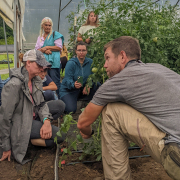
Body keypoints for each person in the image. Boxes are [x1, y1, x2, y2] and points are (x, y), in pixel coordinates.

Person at [77, 36, 180, 180]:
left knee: (112, 111)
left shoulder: (118, 81)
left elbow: (83, 123)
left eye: (107, 58)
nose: (105, 65)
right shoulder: (159, 68)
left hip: (176, 153)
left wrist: (88, 132)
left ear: (122, 56)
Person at [0, 49, 65, 164]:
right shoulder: (14, 86)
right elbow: (5, 118)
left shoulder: (36, 80)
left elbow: (41, 104)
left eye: (43, 66)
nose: (41, 69)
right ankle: (28, 140)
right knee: (59, 137)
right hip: (22, 123)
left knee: (60, 105)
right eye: (39, 65)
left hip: (33, 114)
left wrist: (46, 121)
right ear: (28, 62)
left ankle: (33, 134)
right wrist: (6, 147)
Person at [60, 41, 100, 113]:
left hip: (82, 90)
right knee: (70, 110)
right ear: (76, 51)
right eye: (79, 50)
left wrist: (89, 84)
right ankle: (64, 101)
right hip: (69, 91)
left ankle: (92, 104)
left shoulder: (90, 62)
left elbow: (94, 76)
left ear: (86, 51)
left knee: (98, 85)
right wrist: (73, 84)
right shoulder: (71, 63)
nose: (81, 52)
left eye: (83, 50)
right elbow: (67, 79)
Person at [35, 17, 64, 99]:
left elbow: (59, 47)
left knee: (55, 82)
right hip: (43, 63)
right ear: (42, 26)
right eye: (46, 25)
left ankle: (59, 100)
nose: (48, 27)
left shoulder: (55, 34)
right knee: (45, 81)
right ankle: (47, 99)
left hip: (54, 63)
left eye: (49, 25)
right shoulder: (40, 37)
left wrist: (47, 47)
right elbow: (36, 49)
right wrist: (44, 50)